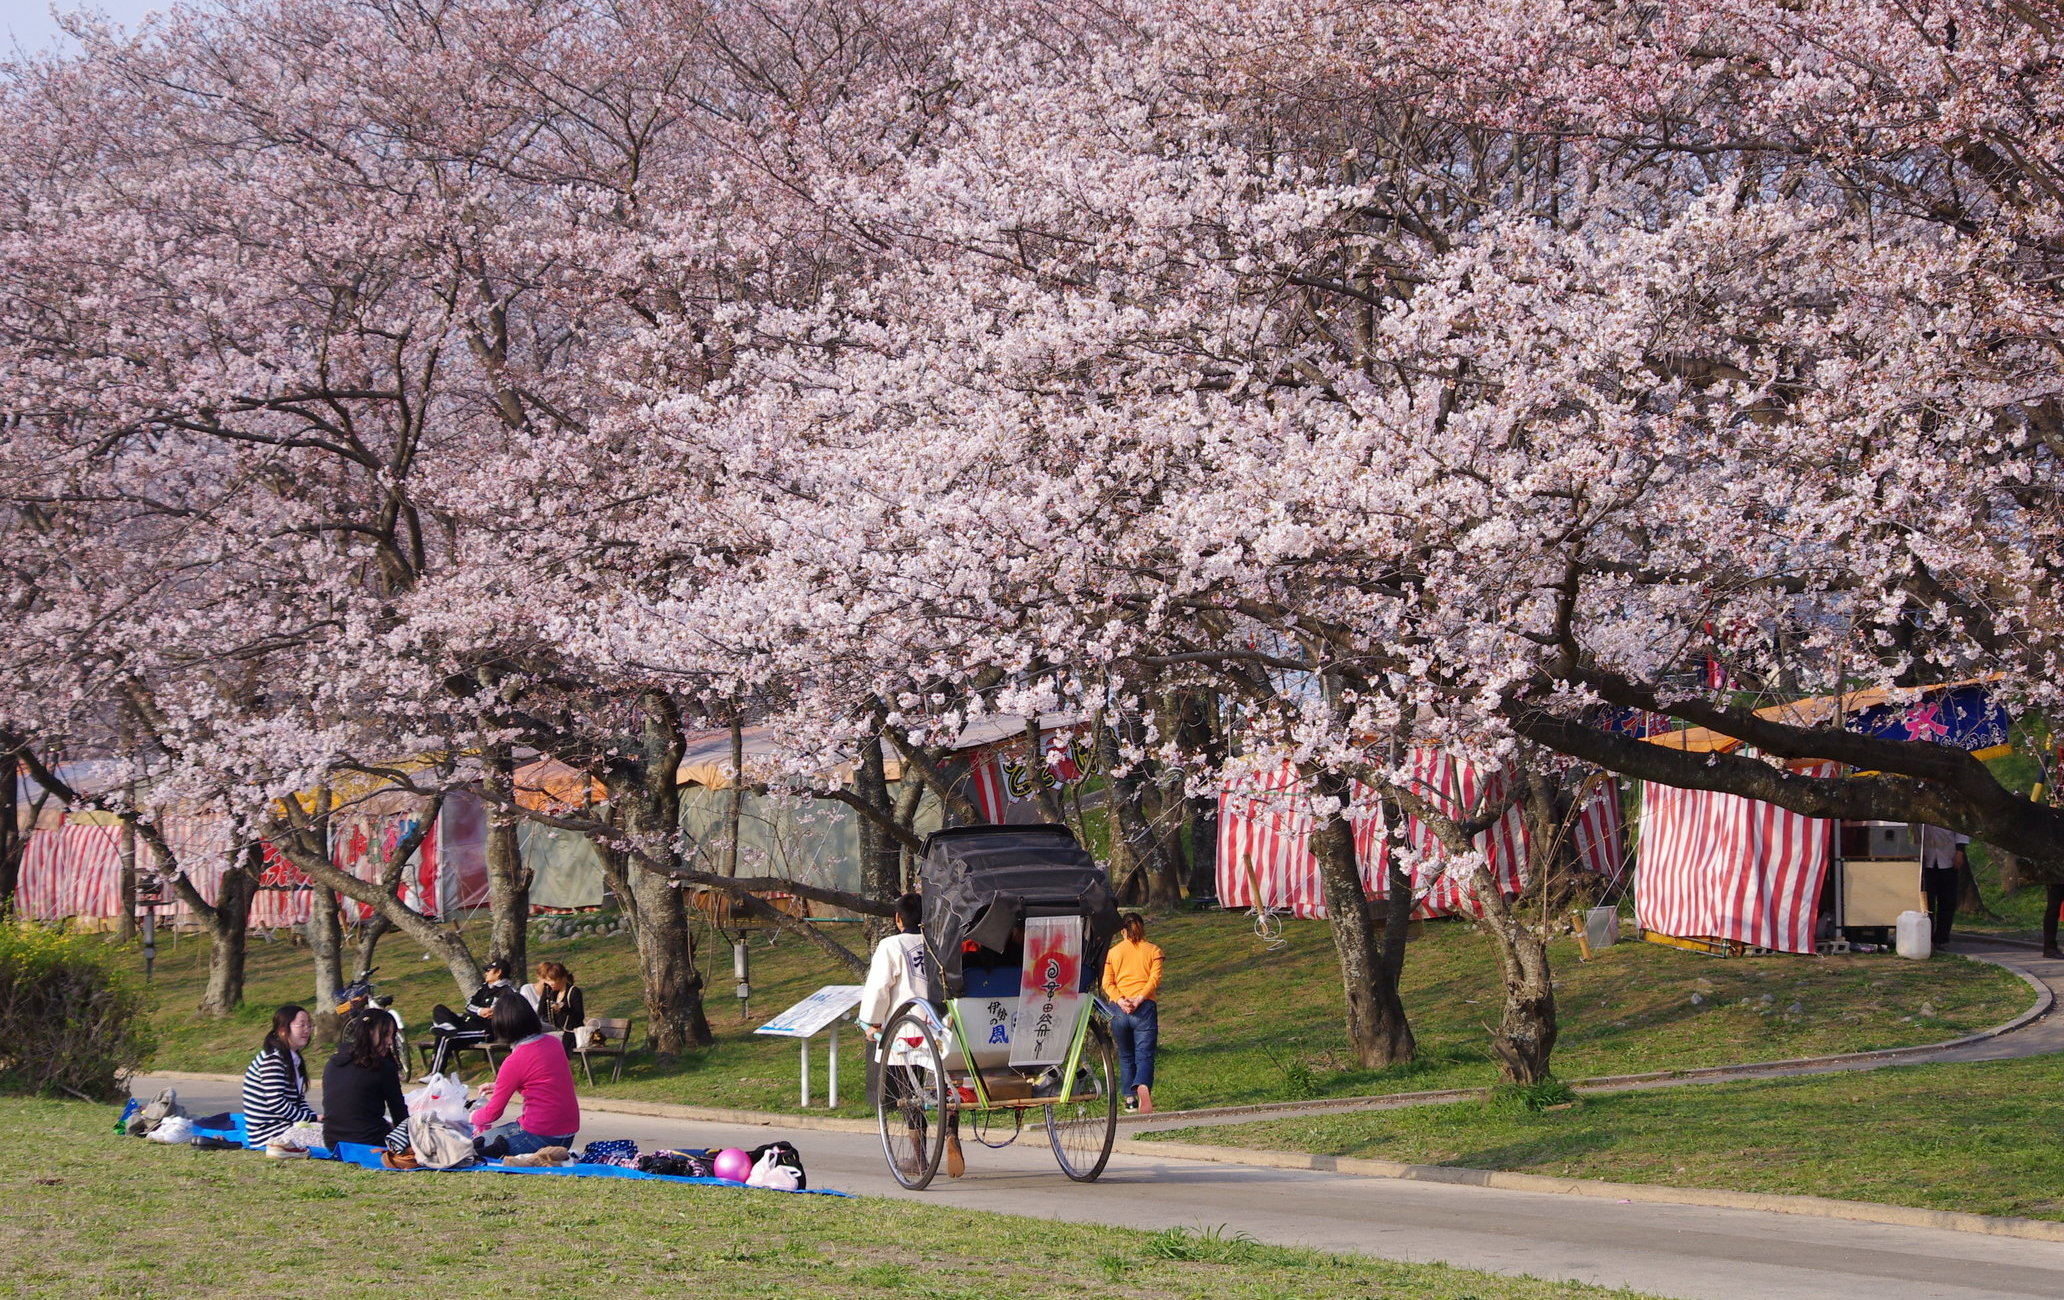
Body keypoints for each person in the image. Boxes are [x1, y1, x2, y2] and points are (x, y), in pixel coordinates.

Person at [860, 894, 961, 1176]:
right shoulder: (939, 944)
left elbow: (880, 987)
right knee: (949, 1085)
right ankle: (952, 1132)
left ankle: (919, 1156)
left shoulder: (891, 945)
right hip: (944, 1027)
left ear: (898, 919)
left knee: (909, 1093)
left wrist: (872, 1023)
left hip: (908, 1029)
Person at [469, 991, 581, 1158]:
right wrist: (498, 1086)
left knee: (477, 1143)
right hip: (567, 1135)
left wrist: (472, 1117)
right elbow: (543, 1081)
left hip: (539, 1135)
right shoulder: (553, 1043)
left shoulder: (514, 1061)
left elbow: (492, 1113)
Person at [322, 1010, 410, 1153]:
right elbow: (398, 1111)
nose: (389, 1042)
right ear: (369, 1032)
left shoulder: (333, 1062)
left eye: (391, 1036)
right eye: (385, 1034)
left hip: (332, 1142)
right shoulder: (382, 1066)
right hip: (369, 1141)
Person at [1102, 912, 1163, 1114]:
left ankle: (1129, 1099)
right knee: (1144, 1055)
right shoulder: (1153, 951)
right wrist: (1139, 998)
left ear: (1122, 931)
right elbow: (1154, 980)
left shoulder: (1113, 953)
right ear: (1142, 927)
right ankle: (1143, 1085)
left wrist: (1121, 1000)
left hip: (1119, 1009)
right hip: (1144, 1007)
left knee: (1126, 1055)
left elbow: (1106, 983)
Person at [242, 1004, 319, 1151]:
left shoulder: (291, 1057)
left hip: (287, 1127)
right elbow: (277, 1104)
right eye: (301, 1025)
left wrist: (313, 1116)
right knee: (334, 1136)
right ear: (283, 1030)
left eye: (309, 1025)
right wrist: (312, 1119)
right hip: (270, 1135)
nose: (307, 1030)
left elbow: (298, 1100)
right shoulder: (273, 1060)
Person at [425, 955, 516, 1077]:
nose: (486, 973)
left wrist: (494, 1012)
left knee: (445, 1037)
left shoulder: (508, 991)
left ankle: (434, 1074)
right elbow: (469, 1004)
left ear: (498, 972)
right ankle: (447, 1026)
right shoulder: (484, 988)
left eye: (489, 970)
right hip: (468, 1022)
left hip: (484, 1029)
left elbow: (508, 1012)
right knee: (439, 1008)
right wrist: (480, 1011)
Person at [1919, 824, 1970, 949]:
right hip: (1927, 858)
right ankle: (1927, 936)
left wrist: (1960, 851)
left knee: (1947, 900)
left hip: (1948, 857)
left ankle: (1942, 938)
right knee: (1927, 901)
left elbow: (1961, 829)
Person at [533, 960, 586, 1050]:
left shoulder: (574, 992)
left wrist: (564, 1008)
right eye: (549, 980)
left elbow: (580, 1016)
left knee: (546, 1042)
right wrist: (546, 990)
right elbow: (541, 1013)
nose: (551, 983)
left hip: (571, 1033)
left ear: (563, 978)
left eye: (553, 980)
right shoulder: (552, 993)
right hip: (556, 1031)